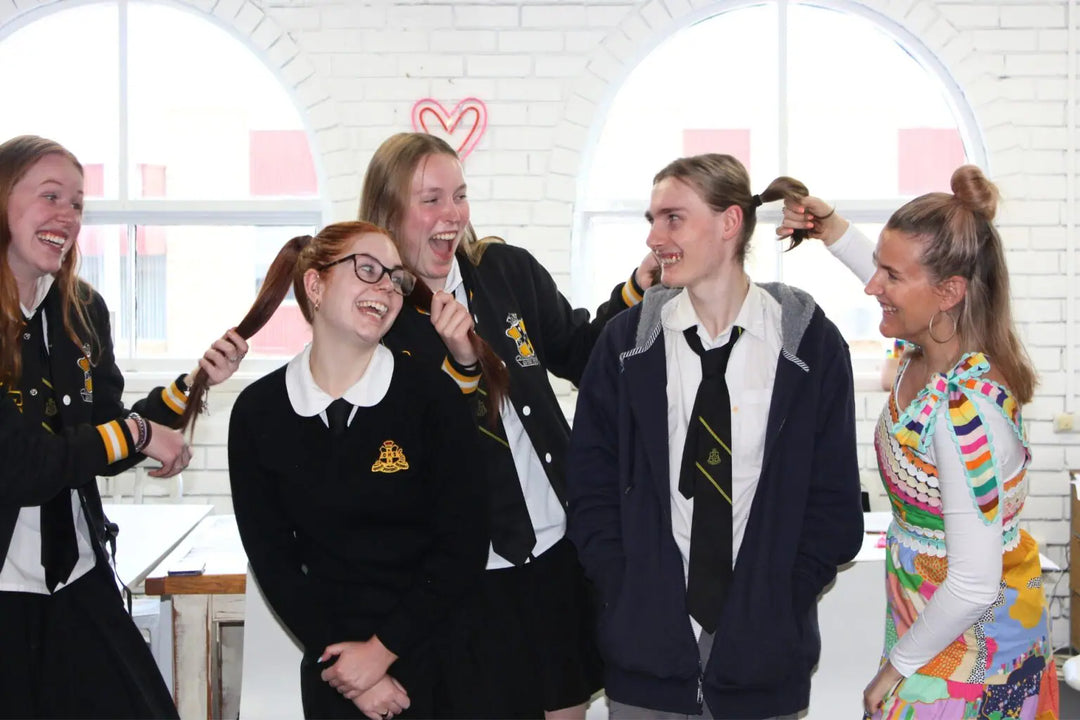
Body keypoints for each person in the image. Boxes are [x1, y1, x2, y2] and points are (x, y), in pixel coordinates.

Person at [358, 132, 659, 720]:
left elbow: (582, 354)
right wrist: (458, 366)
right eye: (431, 200)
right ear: (388, 211)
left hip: (555, 551)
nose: (452, 215)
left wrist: (635, 291)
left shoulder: (504, 270)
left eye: (460, 195)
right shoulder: (377, 317)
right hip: (462, 576)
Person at [566, 153, 865, 719]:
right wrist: (627, 591)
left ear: (730, 223)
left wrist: (778, 600)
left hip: (763, 664)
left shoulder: (810, 346)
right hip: (645, 663)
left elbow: (834, 504)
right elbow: (589, 489)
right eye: (652, 220)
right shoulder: (625, 345)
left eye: (673, 219)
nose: (654, 237)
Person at [778, 166, 1059, 718]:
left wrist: (894, 669)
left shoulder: (963, 414)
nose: (872, 286)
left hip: (971, 655)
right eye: (878, 268)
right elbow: (903, 280)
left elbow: (973, 585)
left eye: (890, 275)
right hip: (931, 629)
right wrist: (832, 229)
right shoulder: (932, 347)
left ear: (949, 292)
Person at [0, 134, 247, 719]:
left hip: (77, 577)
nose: (67, 216)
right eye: (50, 196)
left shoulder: (82, 311)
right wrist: (137, 435)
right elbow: (25, 467)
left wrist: (191, 387)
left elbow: (103, 432)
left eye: (78, 203)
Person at [227, 221, 487, 720]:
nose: (387, 288)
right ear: (315, 285)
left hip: (436, 657)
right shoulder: (259, 413)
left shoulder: (432, 398)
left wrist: (381, 654)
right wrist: (352, 673)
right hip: (334, 667)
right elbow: (274, 560)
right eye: (368, 270)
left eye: (396, 278)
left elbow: (463, 546)